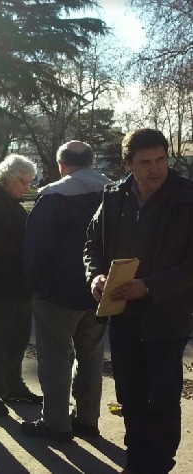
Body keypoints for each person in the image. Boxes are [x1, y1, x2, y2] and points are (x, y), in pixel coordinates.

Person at [84, 128, 193, 473]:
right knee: (130, 395)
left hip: (168, 316)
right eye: (145, 162)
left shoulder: (186, 198)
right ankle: (136, 460)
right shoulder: (114, 196)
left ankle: (159, 463)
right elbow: (91, 244)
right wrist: (95, 276)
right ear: (128, 164)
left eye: (161, 159)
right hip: (123, 315)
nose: (155, 168)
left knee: (162, 398)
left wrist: (149, 286)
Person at [21, 141, 112, 442]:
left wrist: (33, 284)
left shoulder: (55, 195)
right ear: (91, 161)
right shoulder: (114, 193)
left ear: (61, 164)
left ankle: (56, 422)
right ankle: (88, 419)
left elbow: (36, 249)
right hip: (101, 289)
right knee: (91, 357)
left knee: (56, 358)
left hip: (58, 292)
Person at [0, 154, 41, 416]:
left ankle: (12, 385)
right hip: (0, 284)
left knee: (19, 338)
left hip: (19, 283)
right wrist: (32, 249)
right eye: (23, 182)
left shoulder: (12, 202)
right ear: (8, 179)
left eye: (28, 182)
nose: (27, 187)